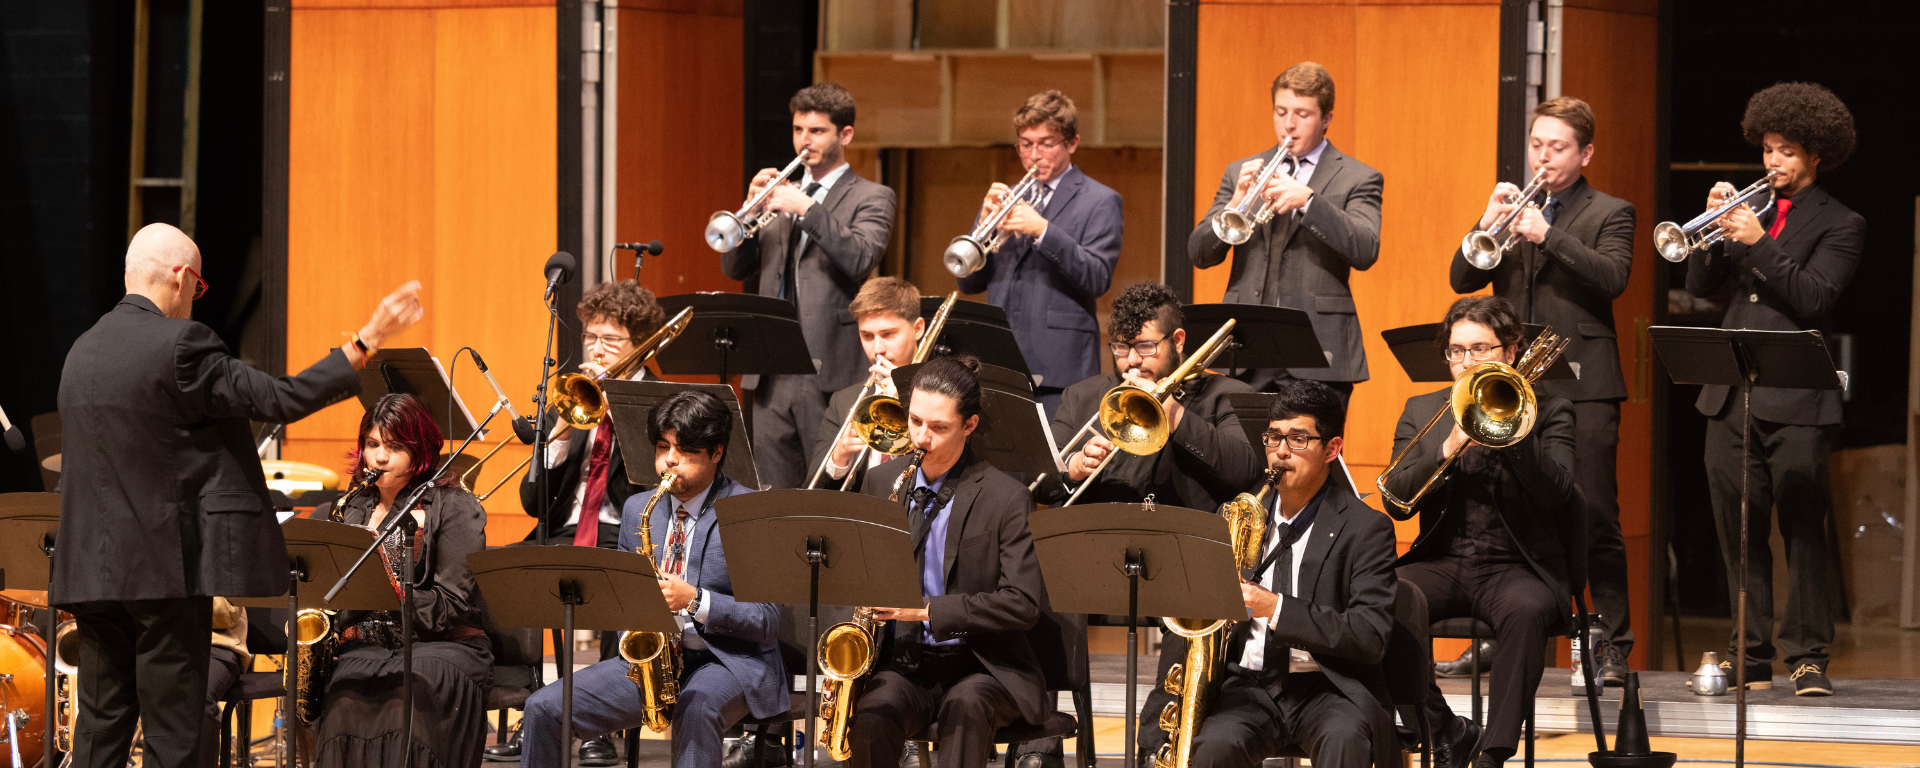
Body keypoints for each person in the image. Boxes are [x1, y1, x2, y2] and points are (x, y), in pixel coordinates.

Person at [51, 223, 421, 768]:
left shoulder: (82, 350)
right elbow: (281, 398)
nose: (194, 301)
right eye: (198, 288)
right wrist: (365, 339)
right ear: (182, 277)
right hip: (161, 576)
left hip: (88, 573)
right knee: (172, 737)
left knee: (100, 734)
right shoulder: (182, 344)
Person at [1445, 96, 1636, 684]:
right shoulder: (1509, 212)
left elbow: (1613, 277)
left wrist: (1548, 234)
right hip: (1510, 386)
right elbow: (1462, 277)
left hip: (1583, 384)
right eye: (1537, 145)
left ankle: (1610, 646)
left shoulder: (1611, 211)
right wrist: (1487, 224)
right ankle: (1496, 637)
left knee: (1594, 515)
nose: (1543, 157)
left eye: (1557, 147)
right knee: (1505, 513)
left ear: (1585, 153)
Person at [1685, 82, 1861, 697]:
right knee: (1739, 528)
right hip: (1732, 391)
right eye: (1766, 149)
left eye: (1785, 151)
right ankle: (1747, 653)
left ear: (1814, 154)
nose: (1771, 164)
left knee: (1803, 530)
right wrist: (1709, 230)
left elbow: (1813, 296)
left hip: (1799, 395)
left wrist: (1758, 244)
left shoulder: (1842, 223)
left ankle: (1808, 655)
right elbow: (1703, 283)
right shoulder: (1749, 210)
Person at [518, 389, 787, 768]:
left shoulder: (749, 512)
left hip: (730, 658)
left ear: (717, 453)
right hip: (658, 660)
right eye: (663, 448)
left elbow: (767, 620)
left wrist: (695, 600)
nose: (670, 462)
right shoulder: (637, 509)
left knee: (696, 710)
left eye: (687, 451)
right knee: (544, 707)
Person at [1136, 381, 1399, 768]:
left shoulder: (1366, 528)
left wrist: (1276, 608)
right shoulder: (1235, 519)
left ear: (1332, 449)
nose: (1280, 452)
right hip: (1249, 687)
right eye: (1274, 437)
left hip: (1329, 688)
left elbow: (1369, 635)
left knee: (1345, 741)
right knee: (1213, 749)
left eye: (1298, 439)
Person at [1388, 296, 1582, 768]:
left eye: (1480, 350)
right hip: (1442, 559)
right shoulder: (1422, 410)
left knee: (1528, 611)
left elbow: (1558, 494)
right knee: (1377, 602)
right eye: (1456, 351)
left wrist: (1515, 434)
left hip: (1517, 565)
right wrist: (1446, 448)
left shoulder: (1551, 409)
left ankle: (1492, 756)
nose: (1466, 362)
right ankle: (1443, 729)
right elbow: (1396, 497)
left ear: (1511, 352)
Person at [846, 356, 1049, 768]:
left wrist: (926, 610)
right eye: (915, 421)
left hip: (983, 665)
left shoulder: (1006, 496)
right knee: (870, 717)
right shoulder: (882, 482)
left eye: (939, 428)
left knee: (966, 708)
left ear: (969, 426)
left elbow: (1022, 603)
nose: (921, 438)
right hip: (905, 663)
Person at [721, 82, 898, 489]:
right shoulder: (778, 195)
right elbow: (735, 267)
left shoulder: (872, 196)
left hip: (830, 367)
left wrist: (807, 208)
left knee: (828, 486)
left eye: (817, 131)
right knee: (773, 491)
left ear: (845, 135)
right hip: (771, 369)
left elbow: (859, 258)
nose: (805, 141)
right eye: (799, 129)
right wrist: (747, 213)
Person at [309, 393, 492, 768]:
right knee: (344, 701)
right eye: (372, 444)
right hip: (368, 646)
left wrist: (393, 587)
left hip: (442, 644)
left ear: (420, 450)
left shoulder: (456, 507)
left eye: (394, 447)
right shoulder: (352, 506)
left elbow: (452, 606)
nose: (379, 457)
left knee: (406, 696)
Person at [1188, 62, 1383, 402]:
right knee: (1241, 453)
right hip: (1246, 350)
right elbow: (1200, 254)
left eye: (1302, 114)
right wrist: (1234, 204)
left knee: (1314, 452)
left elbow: (1365, 248)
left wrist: (1309, 201)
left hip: (1318, 350)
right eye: (1281, 112)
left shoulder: (1358, 176)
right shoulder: (1241, 172)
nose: (1288, 124)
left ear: (1327, 118)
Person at [955, 90, 1124, 416]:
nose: (1034, 155)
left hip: (1060, 366)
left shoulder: (1100, 200)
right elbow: (970, 284)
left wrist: (1043, 231)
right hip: (1000, 360)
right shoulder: (1004, 200)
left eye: (1046, 144)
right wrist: (984, 223)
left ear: (1072, 143)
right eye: (1026, 144)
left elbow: (1097, 277)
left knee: (1054, 466)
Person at [1038, 281, 1264, 510]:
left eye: (1145, 346)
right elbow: (1037, 484)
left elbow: (1245, 473)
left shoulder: (1225, 395)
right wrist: (1074, 467)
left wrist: (1174, 413)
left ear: (1177, 341)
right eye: (1121, 347)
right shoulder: (1081, 396)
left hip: (1182, 539)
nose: (1133, 359)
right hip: (1093, 538)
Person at [519, 279, 667, 546]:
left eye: (610, 339)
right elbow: (532, 504)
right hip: (562, 533)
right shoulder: (571, 394)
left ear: (641, 342)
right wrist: (562, 432)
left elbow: (660, 495)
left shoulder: (664, 401)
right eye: (590, 336)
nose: (597, 350)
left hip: (625, 536)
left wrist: (617, 411)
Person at [814, 276, 926, 491]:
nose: (877, 349)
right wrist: (838, 459)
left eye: (888, 334)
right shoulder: (843, 401)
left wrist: (908, 396)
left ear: (918, 329)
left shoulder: (943, 397)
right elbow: (812, 492)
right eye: (867, 336)